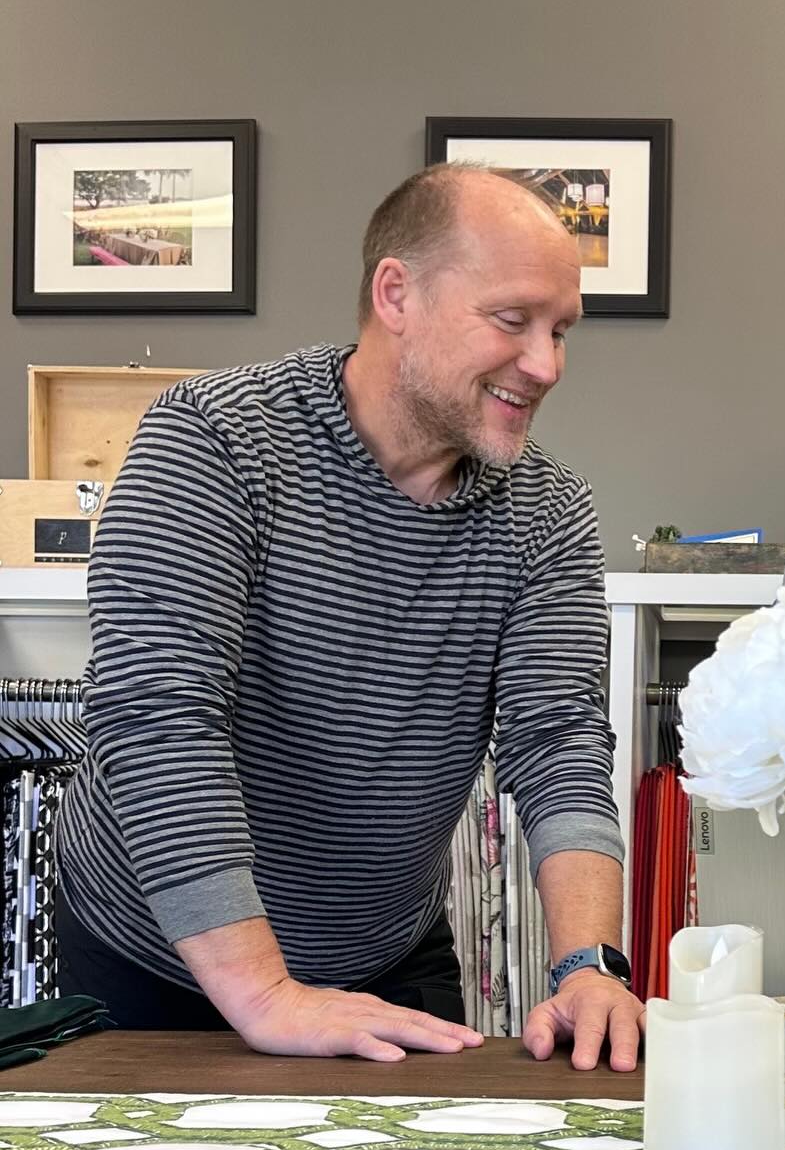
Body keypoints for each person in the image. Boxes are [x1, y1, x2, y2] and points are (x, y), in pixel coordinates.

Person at [57, 164, 643, 1072]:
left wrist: (592, 967)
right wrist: (264, 995)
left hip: (384, 959)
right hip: (156, 962)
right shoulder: (212, 439)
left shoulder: (550, 511)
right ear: (396, 293)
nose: (546, 364)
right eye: (512, 320)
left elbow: (557, 739)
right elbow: (158, 718)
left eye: (561, 330)